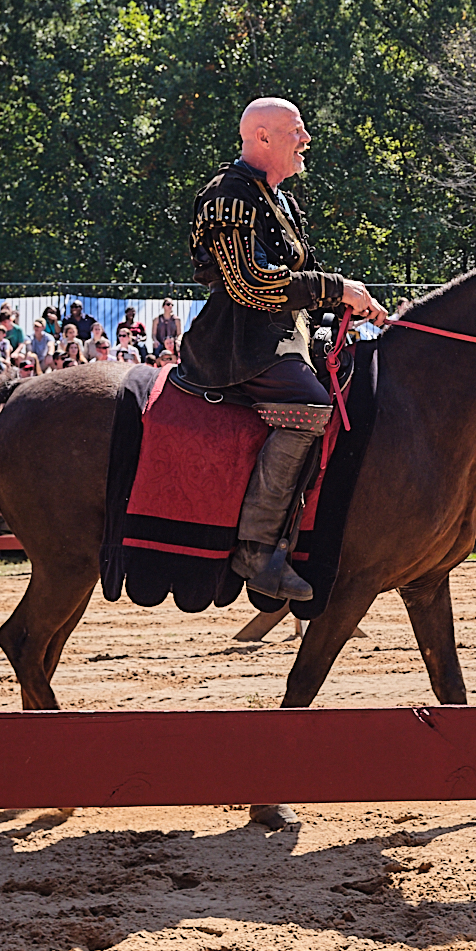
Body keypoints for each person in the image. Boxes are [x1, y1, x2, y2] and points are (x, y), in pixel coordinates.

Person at [178, 97, 386, 601]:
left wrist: (345, 311)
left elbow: (301, 280)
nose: (306, 139)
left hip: (287, 334)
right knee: (310, 407)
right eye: (297, 130)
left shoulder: (280, 199)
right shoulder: (227, 197)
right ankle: (255, 551)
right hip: (239, 342)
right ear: (263, 137)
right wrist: (339, 289)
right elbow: (252, 285)